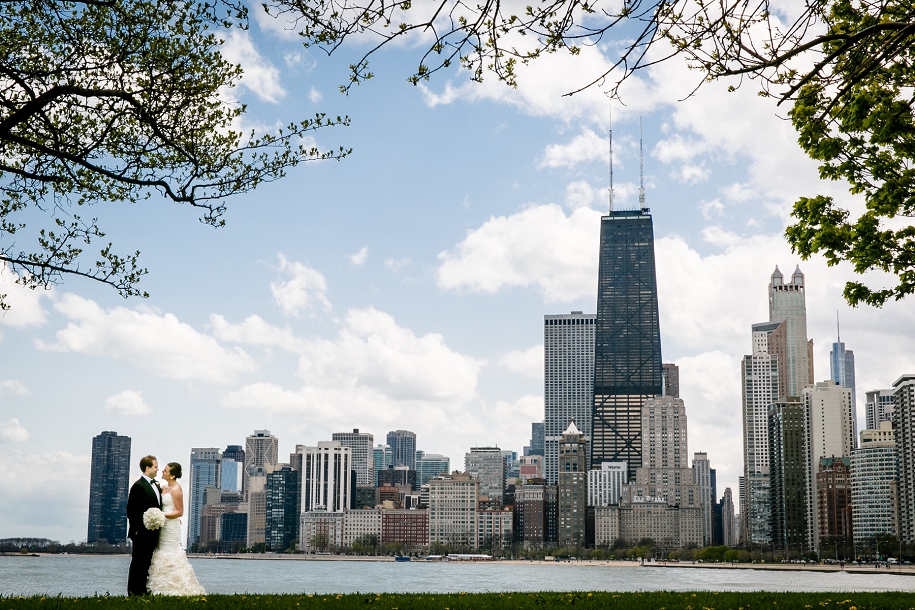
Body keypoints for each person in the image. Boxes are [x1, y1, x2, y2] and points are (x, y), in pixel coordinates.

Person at [146, 462, 205, 595]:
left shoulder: (177, 489)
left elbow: (179, 511)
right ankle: (159, 587)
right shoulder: (163, 488)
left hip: (171, 527)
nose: (162, 472)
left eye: (165, 471)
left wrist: (161, 515)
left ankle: (176, 587)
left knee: (170, 553)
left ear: (172, 476)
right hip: (162, 525)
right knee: (161, 551)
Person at [126, 455, 162, 596]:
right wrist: (136, 530)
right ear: (147, 468)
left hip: (153, 532)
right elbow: (132, 510)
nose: (157, 469)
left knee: (146, 563)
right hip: (141, 533)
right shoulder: (138, 486)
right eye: (155, 466)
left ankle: (143, 590)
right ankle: (133, 592)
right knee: (138, 563)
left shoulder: (156, 485)